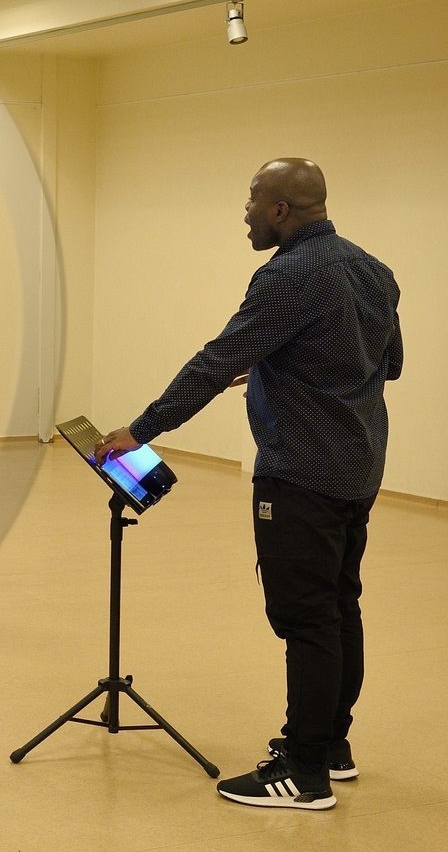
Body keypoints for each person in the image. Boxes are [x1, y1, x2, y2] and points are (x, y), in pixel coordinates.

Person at [95, 158, 402, 812]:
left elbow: (214, 361)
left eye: (253, 198)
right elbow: (385, 362)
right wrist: (276, 370)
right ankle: (331, 745)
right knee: (339, 606)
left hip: (302, 472)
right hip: (358, 466)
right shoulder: (374, 269)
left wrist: (140, 430)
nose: (245, 210)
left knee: (306, 617)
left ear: (282, 210)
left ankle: (303, 770)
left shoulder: (288, 274)